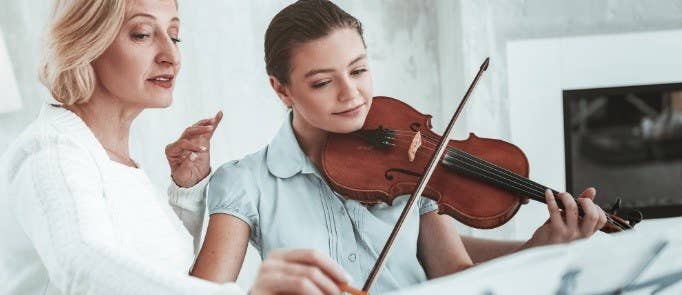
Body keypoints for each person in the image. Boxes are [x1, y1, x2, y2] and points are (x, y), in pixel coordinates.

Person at [192, 0, 608, 294]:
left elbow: (455, 275)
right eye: (322, 82)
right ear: (281, 90)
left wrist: (545, 243)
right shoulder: (245, 182)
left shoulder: (412, 159)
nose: (351, 94)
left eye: (359, 70)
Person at [0, 0, 349, 294]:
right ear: (88, 41)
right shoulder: (50, 151)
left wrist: (185, 195)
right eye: (142, 34)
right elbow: (84, 267)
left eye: (174, 35)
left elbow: (159, 270)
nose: (171, 55)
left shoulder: (114, 159)